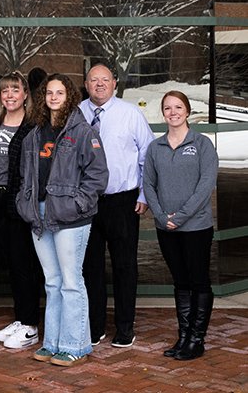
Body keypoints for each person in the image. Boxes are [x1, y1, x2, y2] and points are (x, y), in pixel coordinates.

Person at [16, 74, 108, 367]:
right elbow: (25, 177)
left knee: (71, 282)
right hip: (40, 215)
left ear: (70, 97)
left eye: (60, 92)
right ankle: (52, 342)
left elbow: (97, 176)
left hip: (70, 218)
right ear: (43, 97)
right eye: (49, 93)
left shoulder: (82, 132)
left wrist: (77, 204)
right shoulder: (34, 134)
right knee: (52, 282)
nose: (54, 97)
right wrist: (25, 203)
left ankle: (75, 345)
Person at [79, 63, 154, 348]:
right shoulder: (77, 113)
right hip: (87, 202)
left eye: (105, 80)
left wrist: (144, 195)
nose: (99, 84)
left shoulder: (130, 114)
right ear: (86, 84)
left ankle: (125, 327)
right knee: (90, 268)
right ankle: (95, 326)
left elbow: (148, 157)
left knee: (125, 267)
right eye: (93, 80)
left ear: (114, 83)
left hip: (123, 202)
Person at [142, 91, 217, 361]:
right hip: (166, 228)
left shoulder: (202, 144)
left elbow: (205, 185)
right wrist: (161, 217)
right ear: (162, 113)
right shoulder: (155, 147)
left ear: (187, 111)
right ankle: (184, 336)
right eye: (167, 108)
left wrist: (181, 216)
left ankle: (197, 339)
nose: (172, 112)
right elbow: (148, 184)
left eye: (178, 107)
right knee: (180, 281)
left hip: (196, 227)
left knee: (198, 281)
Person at [0, 72, 42, 351]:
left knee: (25, 265)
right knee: (12, 264)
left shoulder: (32, 126)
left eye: (15, 90)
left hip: (20, 203)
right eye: (5, 91)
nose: (9, 95)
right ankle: (21, 319)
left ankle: (30, 324)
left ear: (25, 95)